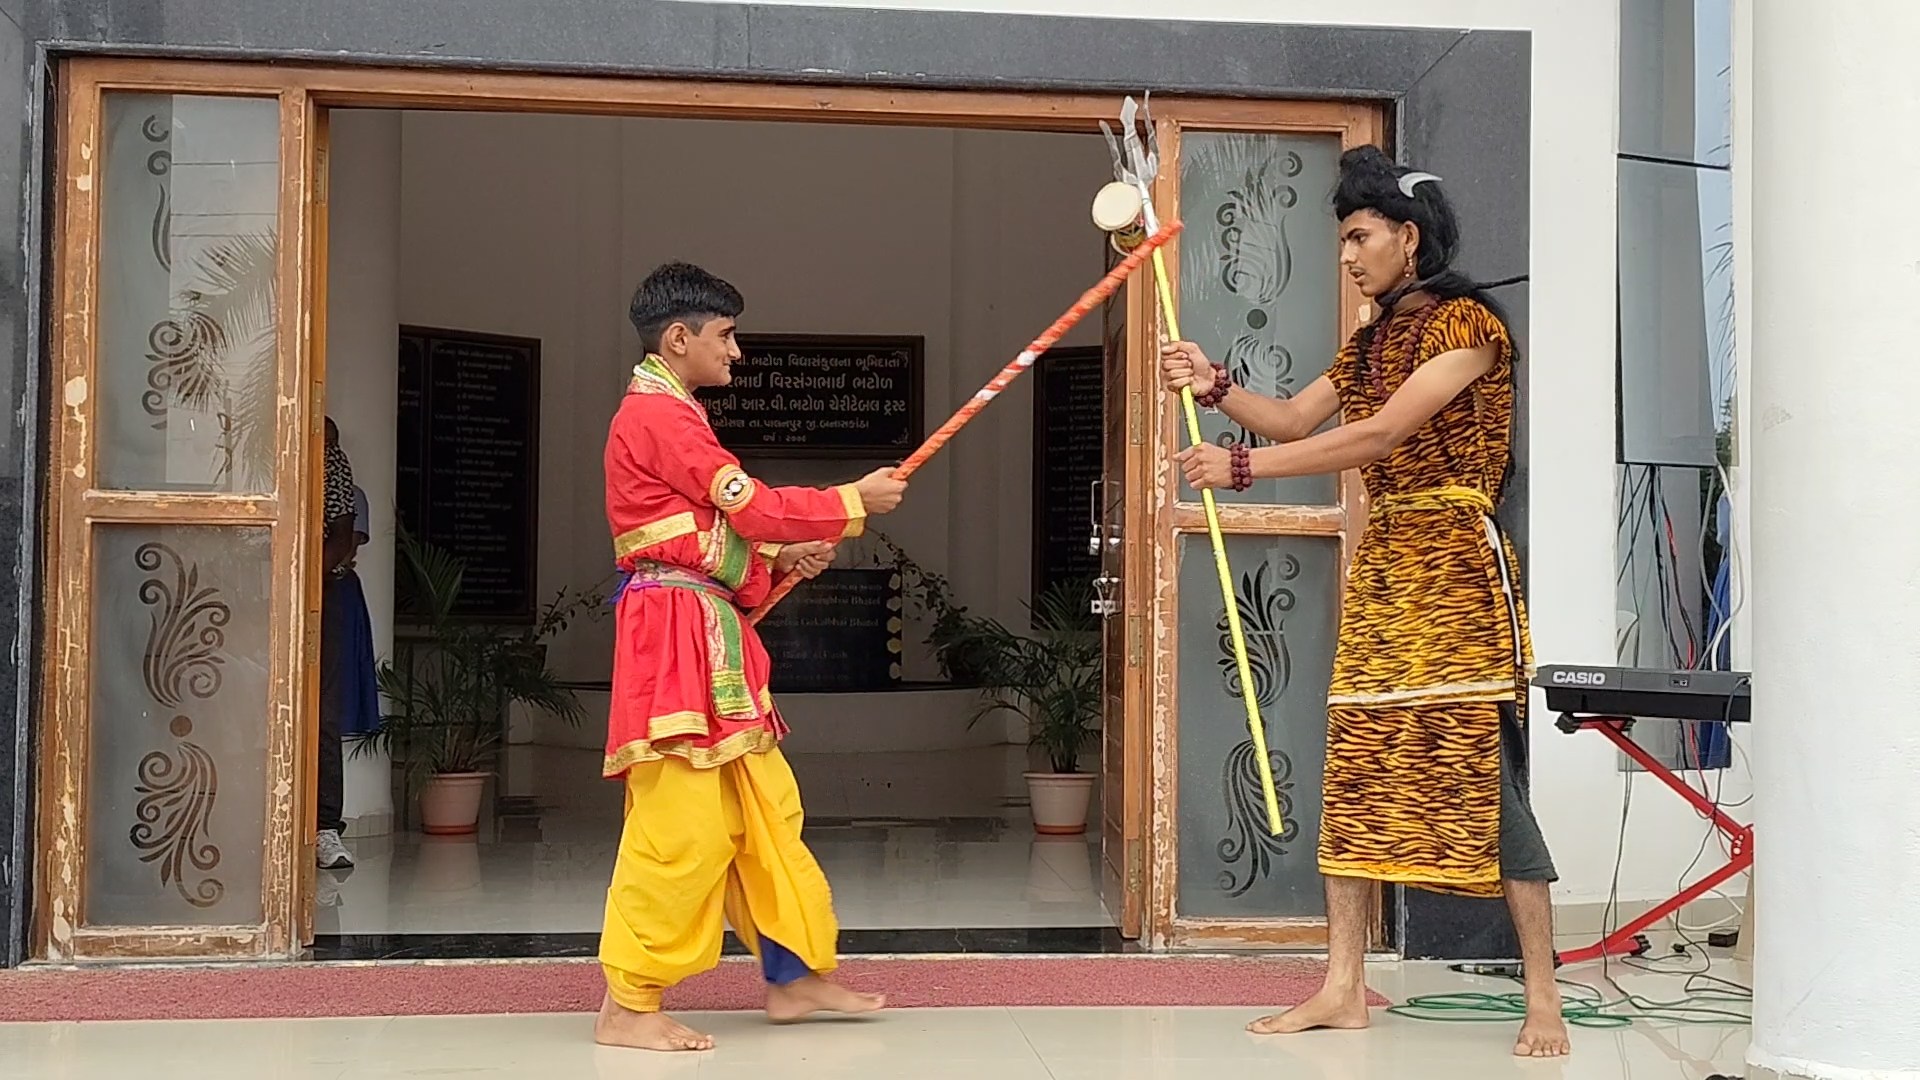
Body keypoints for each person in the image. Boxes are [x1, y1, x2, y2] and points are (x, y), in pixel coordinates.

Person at [1160, 146, 1569, 1058]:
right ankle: (1343, 985)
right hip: (1388, 569)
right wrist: (1215, 382)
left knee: (1483, 781)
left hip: (1459, 567)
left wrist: (1240, 468)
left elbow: (1382, 432)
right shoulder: (1372, 340)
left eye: (1358, 236)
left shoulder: (1470, 326)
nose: (1345, 256)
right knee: (1355, 773)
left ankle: (1545, 995)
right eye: (1341, 239)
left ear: (1408, 237)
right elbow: (1300, 420)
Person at [595, 262, 909, 1053]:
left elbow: (724, 545)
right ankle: (628, 1004)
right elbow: (754, 506)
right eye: (726, 336)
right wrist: (847, 503)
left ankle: (795, 975)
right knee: (683, 829)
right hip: (672, 640)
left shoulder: (679, 418)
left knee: (766, 813)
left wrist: (783, 559)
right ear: (679, 338)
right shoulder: (659, 419)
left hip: (705, 634)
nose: (737, 353)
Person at [315, 417, 366, 872]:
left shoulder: (330, 460)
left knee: (322, 711)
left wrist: (305, 580)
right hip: (257, 595)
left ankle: (324, 828)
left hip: (320, 596)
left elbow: (343, 531)